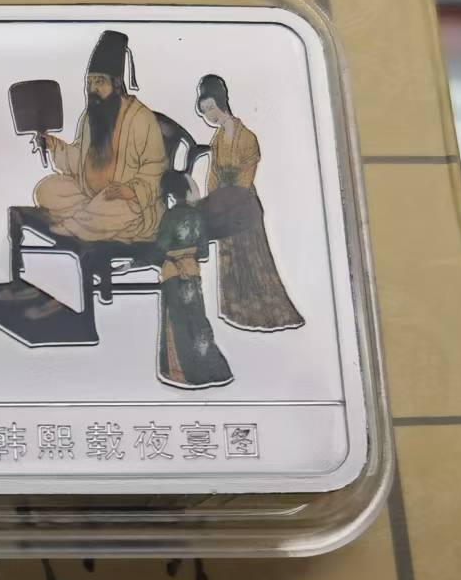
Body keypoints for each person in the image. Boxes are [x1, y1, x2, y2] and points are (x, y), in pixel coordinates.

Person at [32, 30, 166, 244]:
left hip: (128, 202)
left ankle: (78, 225)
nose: (92, 89)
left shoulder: (140, 118)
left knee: (114, 207)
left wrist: (131, 191)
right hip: (90, 197)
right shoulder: (90, 117)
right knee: (46, 190)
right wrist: (53, 145)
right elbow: (79, 160)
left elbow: (156, 168)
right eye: (90, 82)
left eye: (100, 81)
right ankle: (89, 220)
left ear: (116, 84)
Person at [194, 74, 304, 331]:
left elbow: (246, 175)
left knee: (252, 259)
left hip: (243, 206)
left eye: (210, 107)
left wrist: (231, 197)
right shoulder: (217, 140)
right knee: (230, 258)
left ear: (221, 102)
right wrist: (212, 201)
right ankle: (237, 312)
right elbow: (213, 175)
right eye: (204, 111)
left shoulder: (247, 137)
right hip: (223, 205)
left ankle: (266, 313)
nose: (209, 115)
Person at [154, 171, 233, 389]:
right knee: (198, 320)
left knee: (178, 322)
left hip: (173, 272)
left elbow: (161, 247)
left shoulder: (170, 217)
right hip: (192, 270)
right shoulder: (198, 216)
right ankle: (213, 370)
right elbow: (204, 252)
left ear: (171, 193)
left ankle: (185, 373)